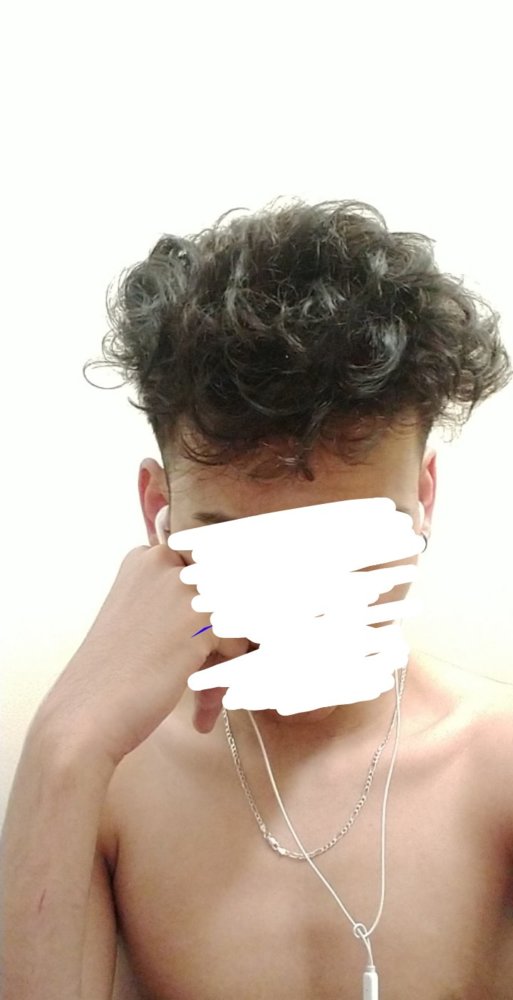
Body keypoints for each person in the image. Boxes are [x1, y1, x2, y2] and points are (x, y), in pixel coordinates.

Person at [2, 198, 513, 1000]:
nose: (297, 600)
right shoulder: (109, 784)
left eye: (345, 540)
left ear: (423, 499)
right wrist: (61, 747)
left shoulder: (495, 762)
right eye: (239, 541)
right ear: (159, 513)